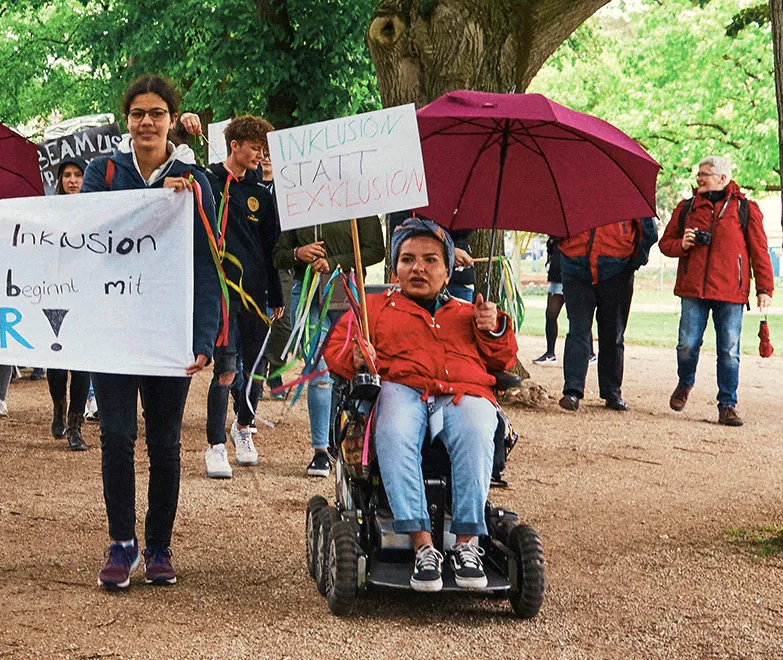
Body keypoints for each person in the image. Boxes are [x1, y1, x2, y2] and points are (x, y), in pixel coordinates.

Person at [323, 219, 517, 592]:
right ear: (395, 267)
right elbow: (336, 352)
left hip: (462, 391)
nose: (418, 268)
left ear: (448, 270)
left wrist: (493, 328)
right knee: (393, 429)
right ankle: (422, 545)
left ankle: (467, 545)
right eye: (408, 259)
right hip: (402, 386)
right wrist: (357, 358)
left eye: (430, 260)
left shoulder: (468, 313)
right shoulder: (373, 308)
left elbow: (503, 359)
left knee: (478, 426)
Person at [81, 75, 216, 590]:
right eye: (138, 113)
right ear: (127, 119)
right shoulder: (101, 171)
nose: (147, 122)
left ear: (171, 119)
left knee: (164, 443)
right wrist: (154, 198)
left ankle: (159, 546)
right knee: (116, 436)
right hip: (113, 332)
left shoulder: (195, 180)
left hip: (168, 335)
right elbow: (88, 231)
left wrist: (204, 338)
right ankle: (122, 543)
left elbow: (207, 264)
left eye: (157, 113)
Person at [659, 155, 774, 427]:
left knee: (729, 350)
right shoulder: (686, 208)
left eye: (706, 174)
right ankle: (685, 383)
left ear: (723, 178)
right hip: (692, 289)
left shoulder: (745, 208)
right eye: (698, 173)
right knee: (687, 344)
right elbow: (666, 244)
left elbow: (759, 250)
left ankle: (727, 405)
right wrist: (683, 245)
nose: (699, 178)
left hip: (730, 292)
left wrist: (764, 287)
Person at [198, 116, 283, 479]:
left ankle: (243, 428)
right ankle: (216, 445)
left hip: (257, 295)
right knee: (227, 368)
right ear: (235, 145)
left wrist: (276, 293)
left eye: (263, 150)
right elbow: (182, 169)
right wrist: (184, 127)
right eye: (254, 148)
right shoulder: (210, 181)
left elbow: (271, 248)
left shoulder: (262, 195)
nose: (260, 155)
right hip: (222, 297)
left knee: (256, 369)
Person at [273, 203, 384, 478]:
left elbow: (376, 250)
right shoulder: (299, 201)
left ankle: (341, 439)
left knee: (345, 368)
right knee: (319, 369)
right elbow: (279, 255)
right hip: (308, 293)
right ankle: (321, 450)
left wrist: (335, 261)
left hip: (348, 290)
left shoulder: (359, 203)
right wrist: (299, 253)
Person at [552, 212, 657, 411]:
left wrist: (634, 262)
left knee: (613, 333)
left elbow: (649, 233)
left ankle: (612, 392)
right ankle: (572, 391)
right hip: (576, 265)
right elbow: (555, 223)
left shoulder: (628, 192)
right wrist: (565, 250)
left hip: (618, 269)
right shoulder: (574, 187)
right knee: (578, 330)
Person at [43, 160, 96, 451]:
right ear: (59, 180)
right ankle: (59, 407)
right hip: (54, 294)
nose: (73, 180)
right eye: (68, 176)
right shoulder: (50, 212)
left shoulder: (94, 209)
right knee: (56, 361)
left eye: (78, 175)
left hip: (84, 295)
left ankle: (75, 426)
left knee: (81, 360)